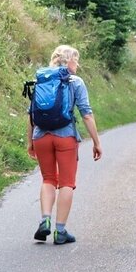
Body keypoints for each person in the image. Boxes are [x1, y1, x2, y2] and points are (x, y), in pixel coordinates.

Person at [27, 44, 103, 245]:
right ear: (69, 61)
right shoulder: (75, 81)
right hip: (65, 136)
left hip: (40, 136)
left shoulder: (41, 79)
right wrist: (96, 142)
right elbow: (86, 113)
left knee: (48, 179)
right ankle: (60, 232)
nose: (77, 65)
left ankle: (45, 220)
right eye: (76, 60)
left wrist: (30, 142)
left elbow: (31, 115)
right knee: (67, 183)